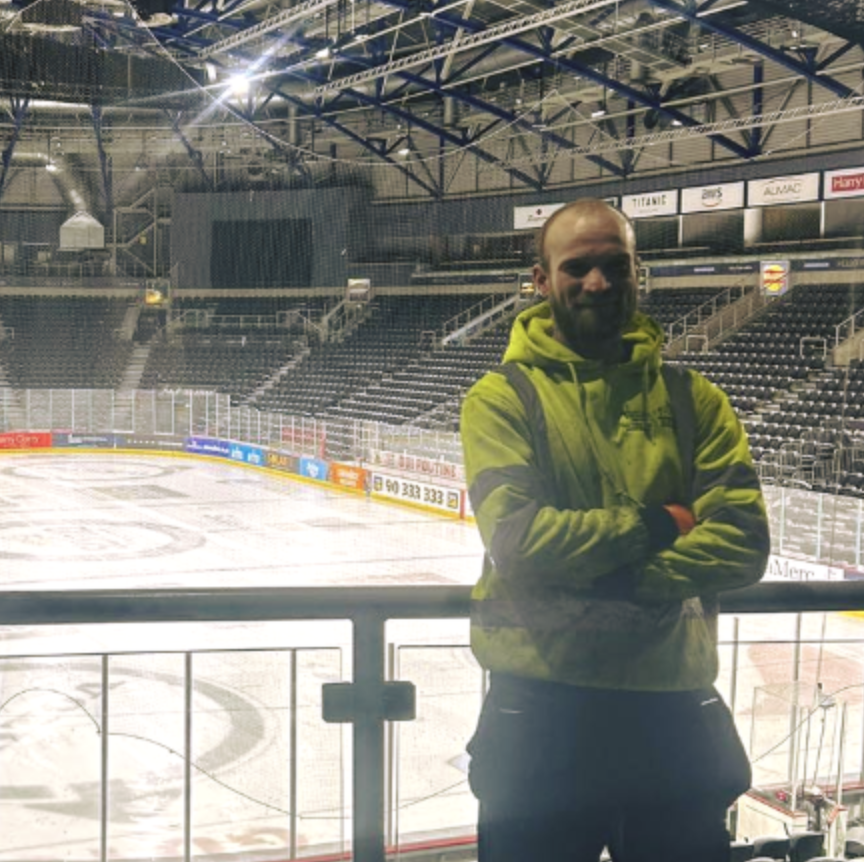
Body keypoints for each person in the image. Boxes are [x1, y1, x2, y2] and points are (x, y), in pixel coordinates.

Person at [460, 198, 770, 862]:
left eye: (615, 265)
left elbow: (744, 542)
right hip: (541, 715)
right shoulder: (502, 397)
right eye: (577, 267)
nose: (598, 282)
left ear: (637, 271)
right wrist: (662, 524)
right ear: (541, 280)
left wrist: (613, 577)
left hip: (670, 713)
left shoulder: (694, 400)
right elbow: (520, 543)